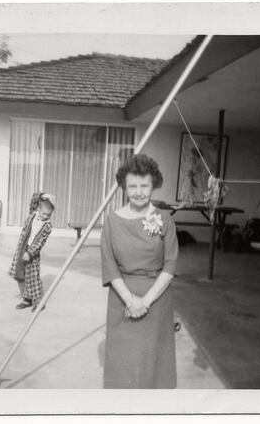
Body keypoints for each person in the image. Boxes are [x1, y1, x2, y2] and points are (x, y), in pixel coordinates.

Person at [101, 154, 179, 388]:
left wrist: (145, 301)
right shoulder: (112, 221)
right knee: (123, 366)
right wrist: (130, 300)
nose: (138, 191)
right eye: (132, 186)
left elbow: (171, 264)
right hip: (122, 300)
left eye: (144, 185)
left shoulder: (165, 220)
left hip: (156, 300)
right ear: (124, 187)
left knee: (152, 370)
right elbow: (109, 265)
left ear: (153, 185)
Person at [9, 192, 55, 311]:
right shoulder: (33, 215)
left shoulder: (47, 226)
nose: (45, 216)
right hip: (22, 248)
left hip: (32, 253)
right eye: (44, 213)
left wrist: (30, 253)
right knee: (20, 275)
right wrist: (42, 196)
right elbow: (34, 200)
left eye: (48, 215)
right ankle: (26, 299)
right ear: (38, 209)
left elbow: (40, 242)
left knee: (33, 278)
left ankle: (39, 302)